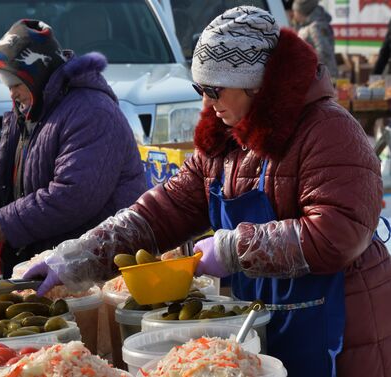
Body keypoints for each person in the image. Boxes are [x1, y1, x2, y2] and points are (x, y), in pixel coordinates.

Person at [22, 6, 391, 377]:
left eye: (214, 89)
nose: (206, 103)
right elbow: (157, 214)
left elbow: (337, 233)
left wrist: (233, 250)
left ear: (256, 83)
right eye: (200, 89)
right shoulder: (224, 144)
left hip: (338, 333)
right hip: (261, 324)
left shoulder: (329, 131)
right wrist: (74, 259)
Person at [0, 19, 146, 277]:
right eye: (6, 83)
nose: (11, 93)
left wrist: (7, 222)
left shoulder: (92, 112)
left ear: (36, 75)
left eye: (15, 83)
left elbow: (75, 194)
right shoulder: (30, 110)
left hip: (96, 265)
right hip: (55, 262)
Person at [293, 0, 339, 79]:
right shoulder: (308, 26)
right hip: (318, 75)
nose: (294, 14)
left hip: (320, 77)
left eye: (295, 11)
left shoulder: (316, 26)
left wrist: (307, 65)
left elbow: (324, 52)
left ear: (302, 11)